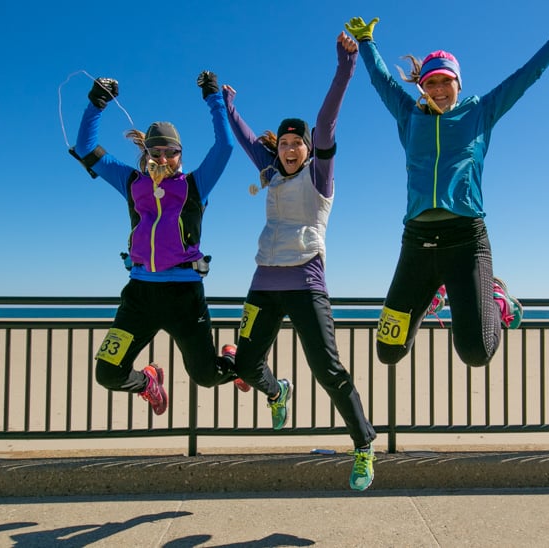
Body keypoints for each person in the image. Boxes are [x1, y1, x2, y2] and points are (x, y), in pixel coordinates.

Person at [345, 6, 549, 368]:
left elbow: (528, 75)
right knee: (389, 349)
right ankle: (433, 291)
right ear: (422, 87)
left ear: (458, 83)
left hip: (465, 240)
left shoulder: (480, 112)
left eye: (445, 81)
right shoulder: (409, 116)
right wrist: (367, 42)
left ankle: (498, 299)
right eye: (430, 82)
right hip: (417, 242)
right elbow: (381, 80)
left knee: (476, 353)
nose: (438, 88)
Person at [221, 32, 378, 491]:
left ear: (309, 149)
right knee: (246, 366)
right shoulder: (269, 174)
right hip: (263, 284)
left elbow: (326, 122)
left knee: (329, 371)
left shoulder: (320, 177)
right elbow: (247, 137)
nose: (290, 148)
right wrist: (226, 102)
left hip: (307, 283)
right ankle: (278, 391)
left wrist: (345, 67)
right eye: (285, 142)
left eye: (298, 143)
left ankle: (364, 446)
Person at [69, 71, 249, 416]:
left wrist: (213, 99)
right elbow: (85, 148)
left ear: (180, 154)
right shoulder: (131, 181)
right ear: (147, 153)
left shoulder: (196, 185)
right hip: (140, 296)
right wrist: (97, 101)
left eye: (171, 152)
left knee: (207, 377)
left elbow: (225, 146)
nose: (163, 158)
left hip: (185, 298)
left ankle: (230, 358)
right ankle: (149, 382)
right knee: (107, 373)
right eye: (156, 152)